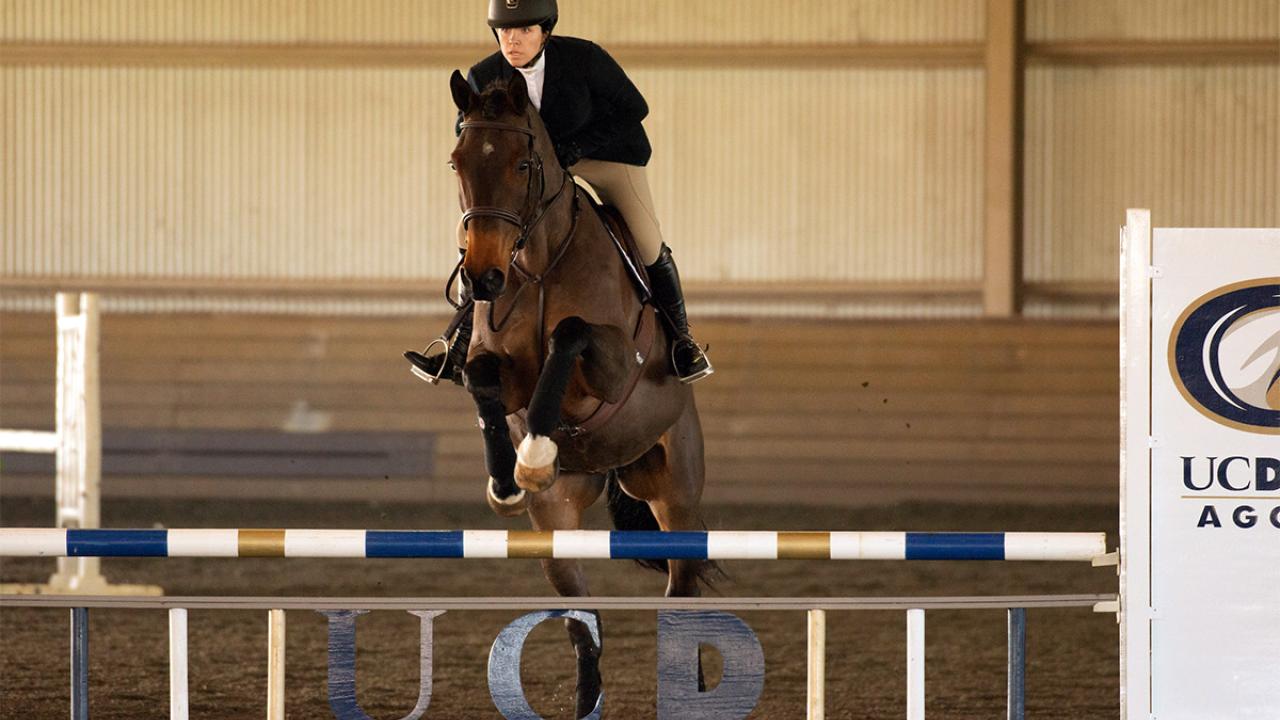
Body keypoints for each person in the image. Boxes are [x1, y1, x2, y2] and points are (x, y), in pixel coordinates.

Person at [405, 0, 713, 386]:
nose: (512, 41)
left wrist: (579, 147)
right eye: (504, 32)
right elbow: (467, 128)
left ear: (545, 32)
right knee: (468, 236)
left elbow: (635, 107)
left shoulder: (584, 59)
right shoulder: (483, 75)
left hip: (604, 156)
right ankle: (460, 344)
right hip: (532, 170)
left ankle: (682, 342)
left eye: (524, 31)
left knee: (647, 240)